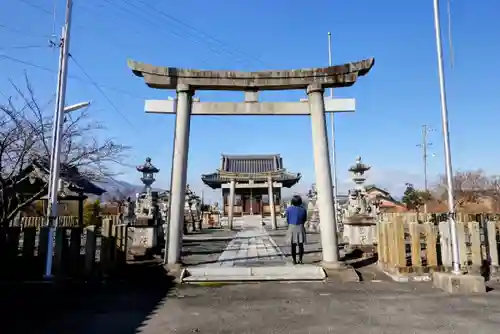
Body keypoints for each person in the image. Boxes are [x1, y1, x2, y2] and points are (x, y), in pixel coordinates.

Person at [285, 195, 307, 264]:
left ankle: (294, 260)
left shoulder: (288, 209)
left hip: (291, 226)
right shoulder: (303, 210)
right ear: (300, 202)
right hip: (300, 226)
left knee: (293, 245)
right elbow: (304, 219)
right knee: (301, 245)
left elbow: (288, 219)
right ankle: (300, 260)